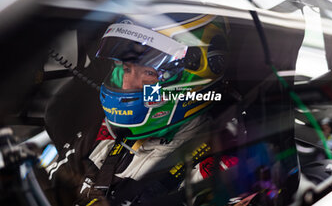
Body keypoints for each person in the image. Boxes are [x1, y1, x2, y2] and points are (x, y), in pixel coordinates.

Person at [37, 13, 232, 206]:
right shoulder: (106, 133)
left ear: (194, 78)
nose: (127, 85)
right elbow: (50, 190)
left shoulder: (215, 172)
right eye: (126, 69)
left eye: (148, 72)